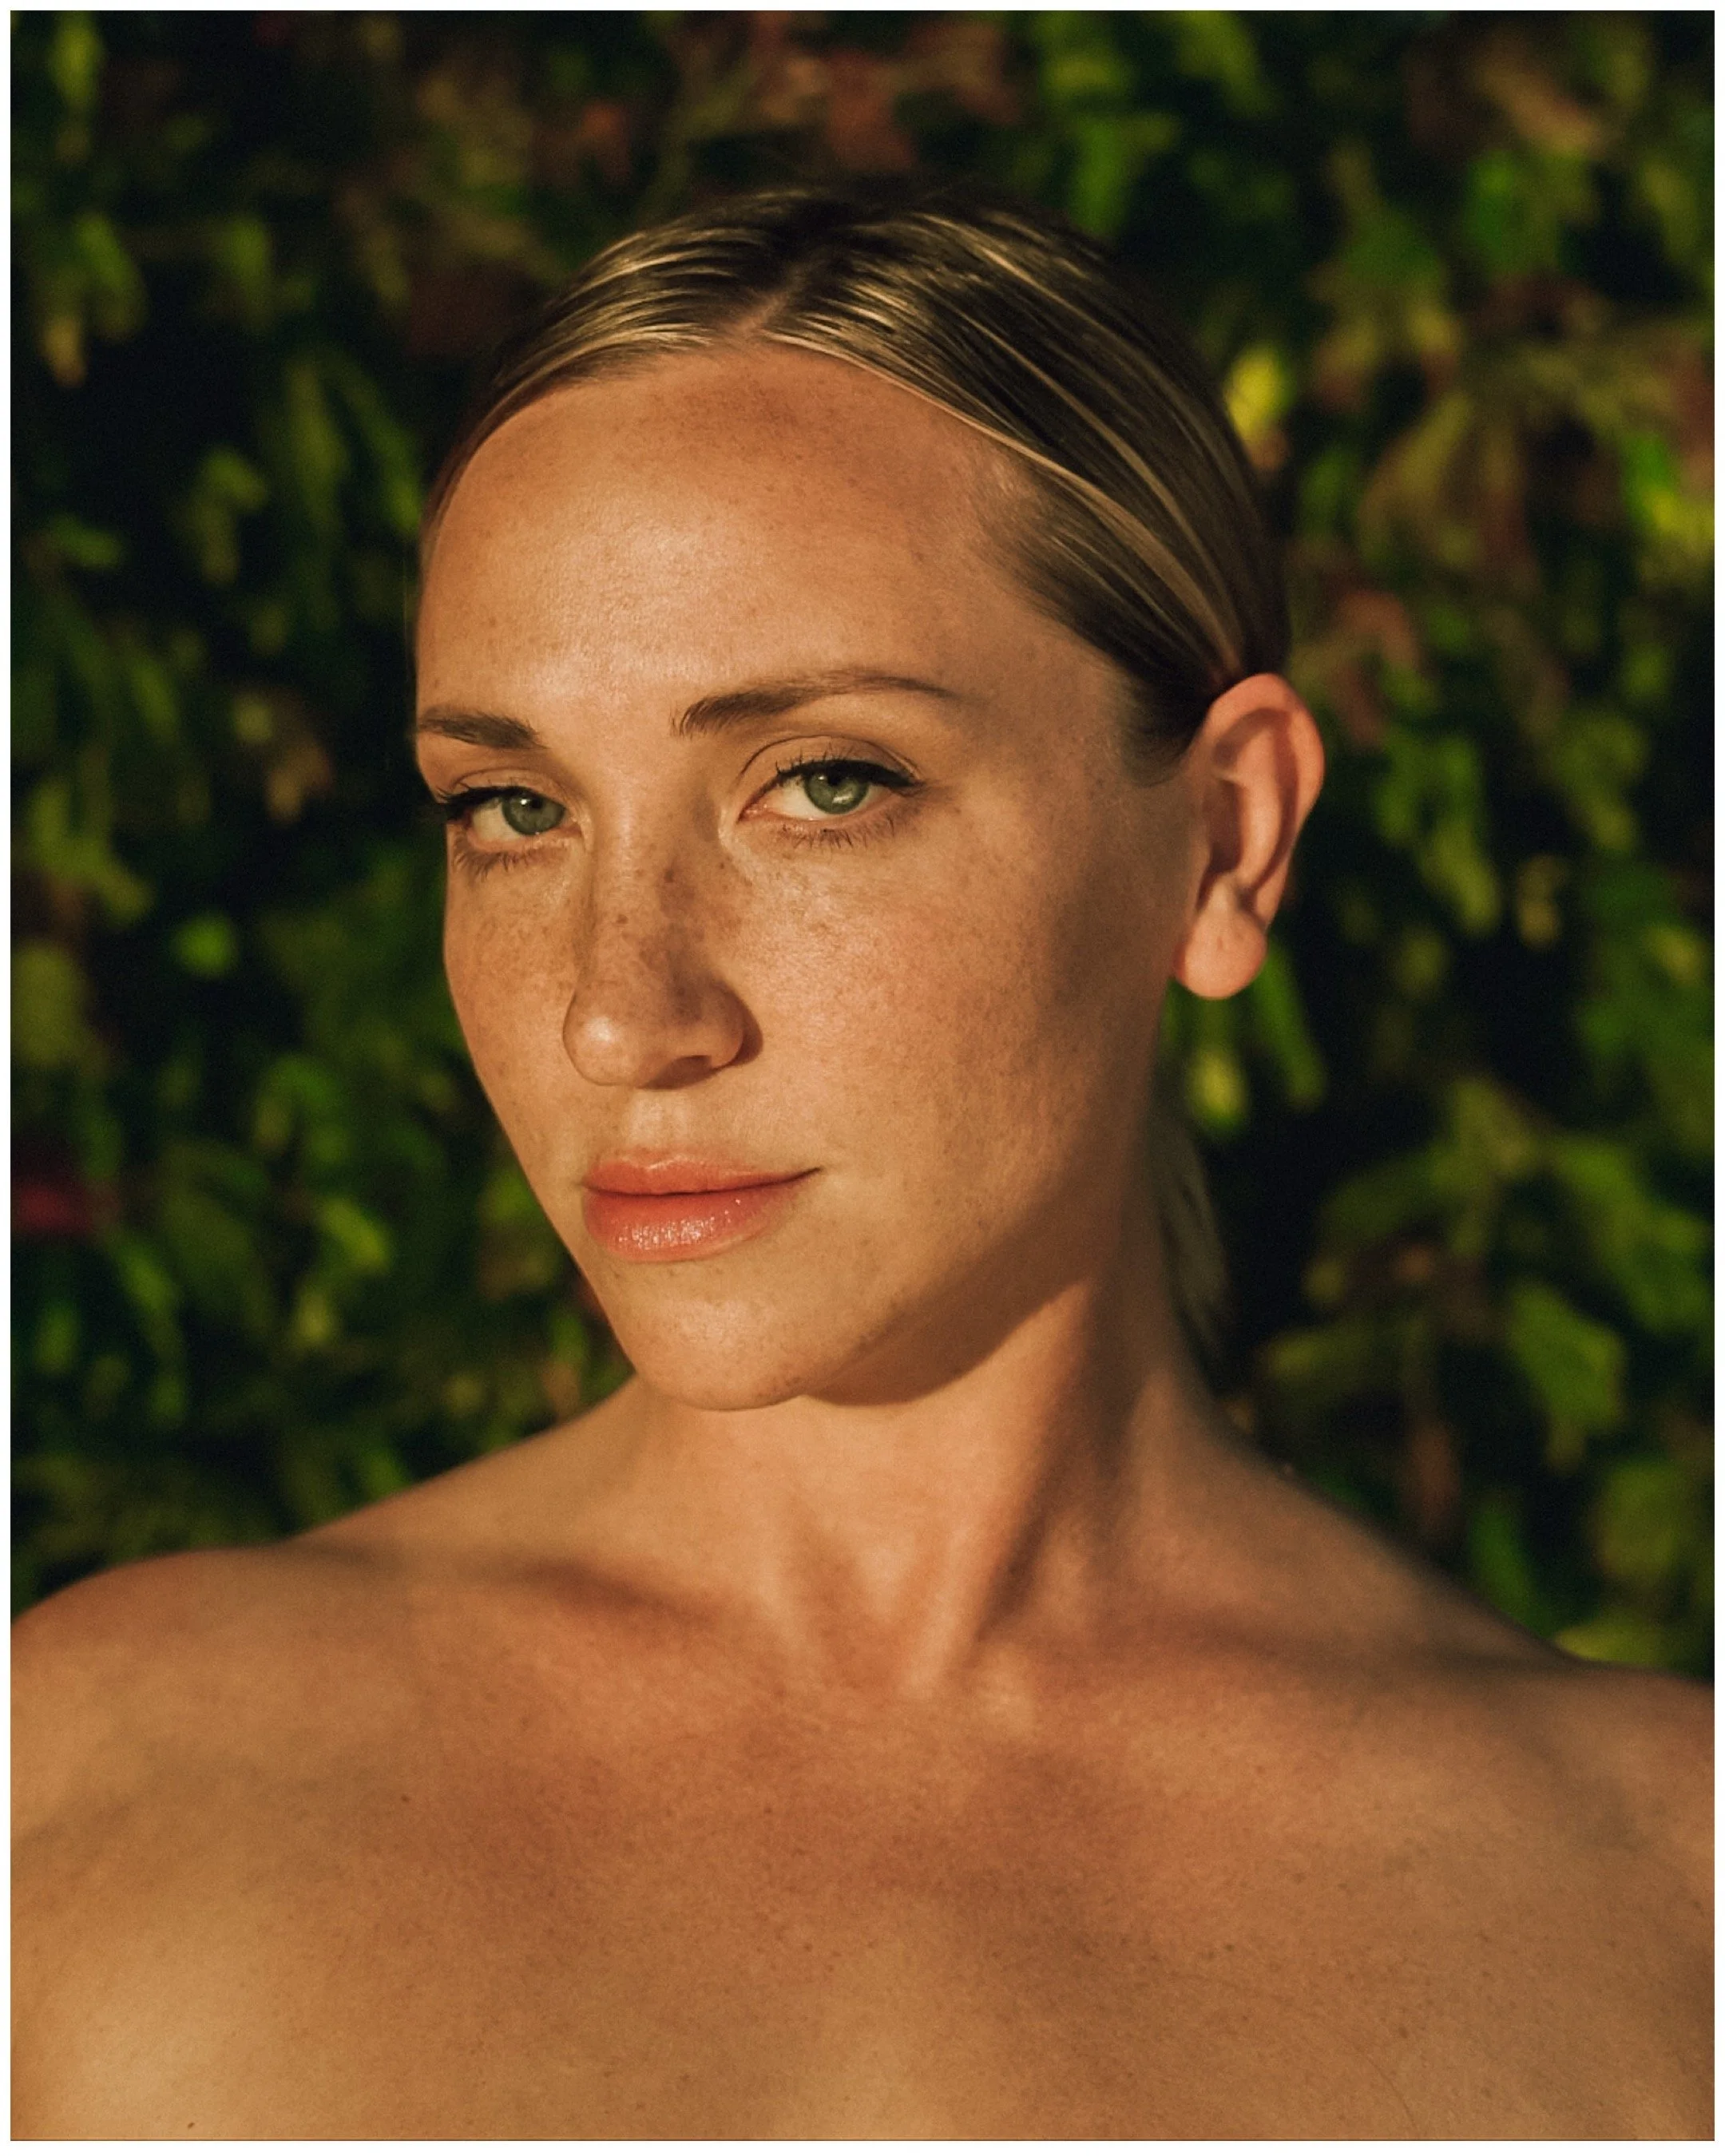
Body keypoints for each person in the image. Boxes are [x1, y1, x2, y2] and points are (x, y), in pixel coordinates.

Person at [12, 184, 1710, 2140]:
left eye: (826, 784)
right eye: (513, 808)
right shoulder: (81, 1789)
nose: (619, 1015)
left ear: (1225, 840)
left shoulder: (1664, 1912)